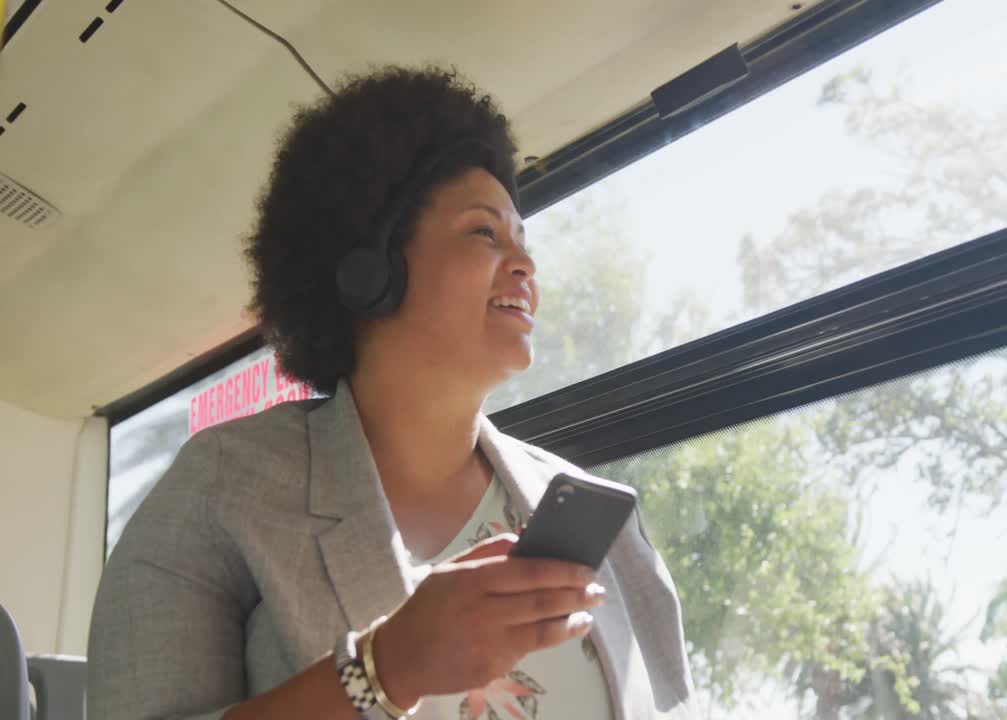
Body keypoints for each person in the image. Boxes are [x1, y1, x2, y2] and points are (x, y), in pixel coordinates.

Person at [87, 66, 695, 720]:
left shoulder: (599, 519)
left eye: (524, 241)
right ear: (368, 275)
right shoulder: (222, 488)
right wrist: (388, 669)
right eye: (483, 233)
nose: (526, 266)